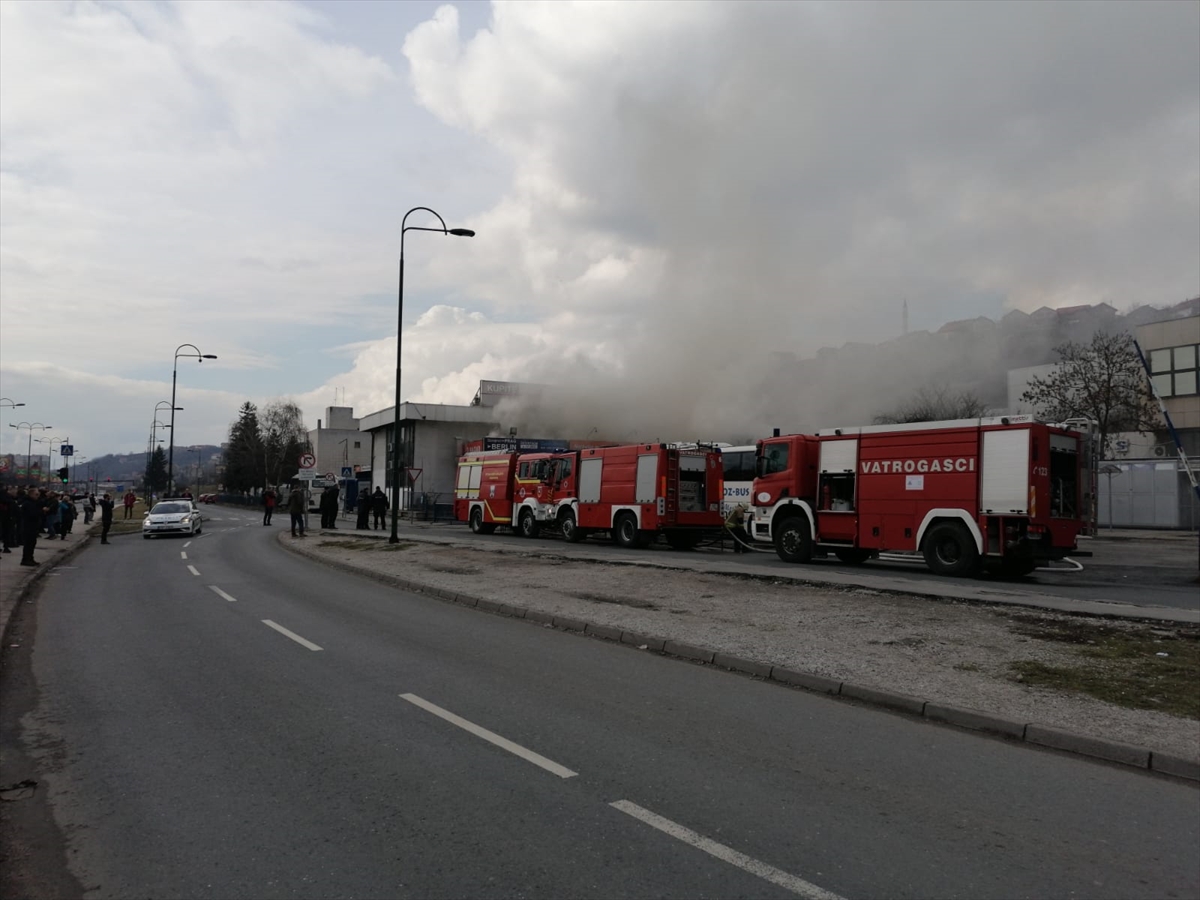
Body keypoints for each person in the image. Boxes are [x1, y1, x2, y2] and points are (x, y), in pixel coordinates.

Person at [18, 487, 45, 566]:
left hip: (33, 526)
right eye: (36, 494)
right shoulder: (27, 503)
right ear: (31, 494)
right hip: (28, 526)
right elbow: (32, 514)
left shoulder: (34, 502)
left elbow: (41, 503)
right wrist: (41, 511)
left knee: (32, 543)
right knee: (28, 544)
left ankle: (30, 558)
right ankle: (26, 559)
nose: (38, 496)